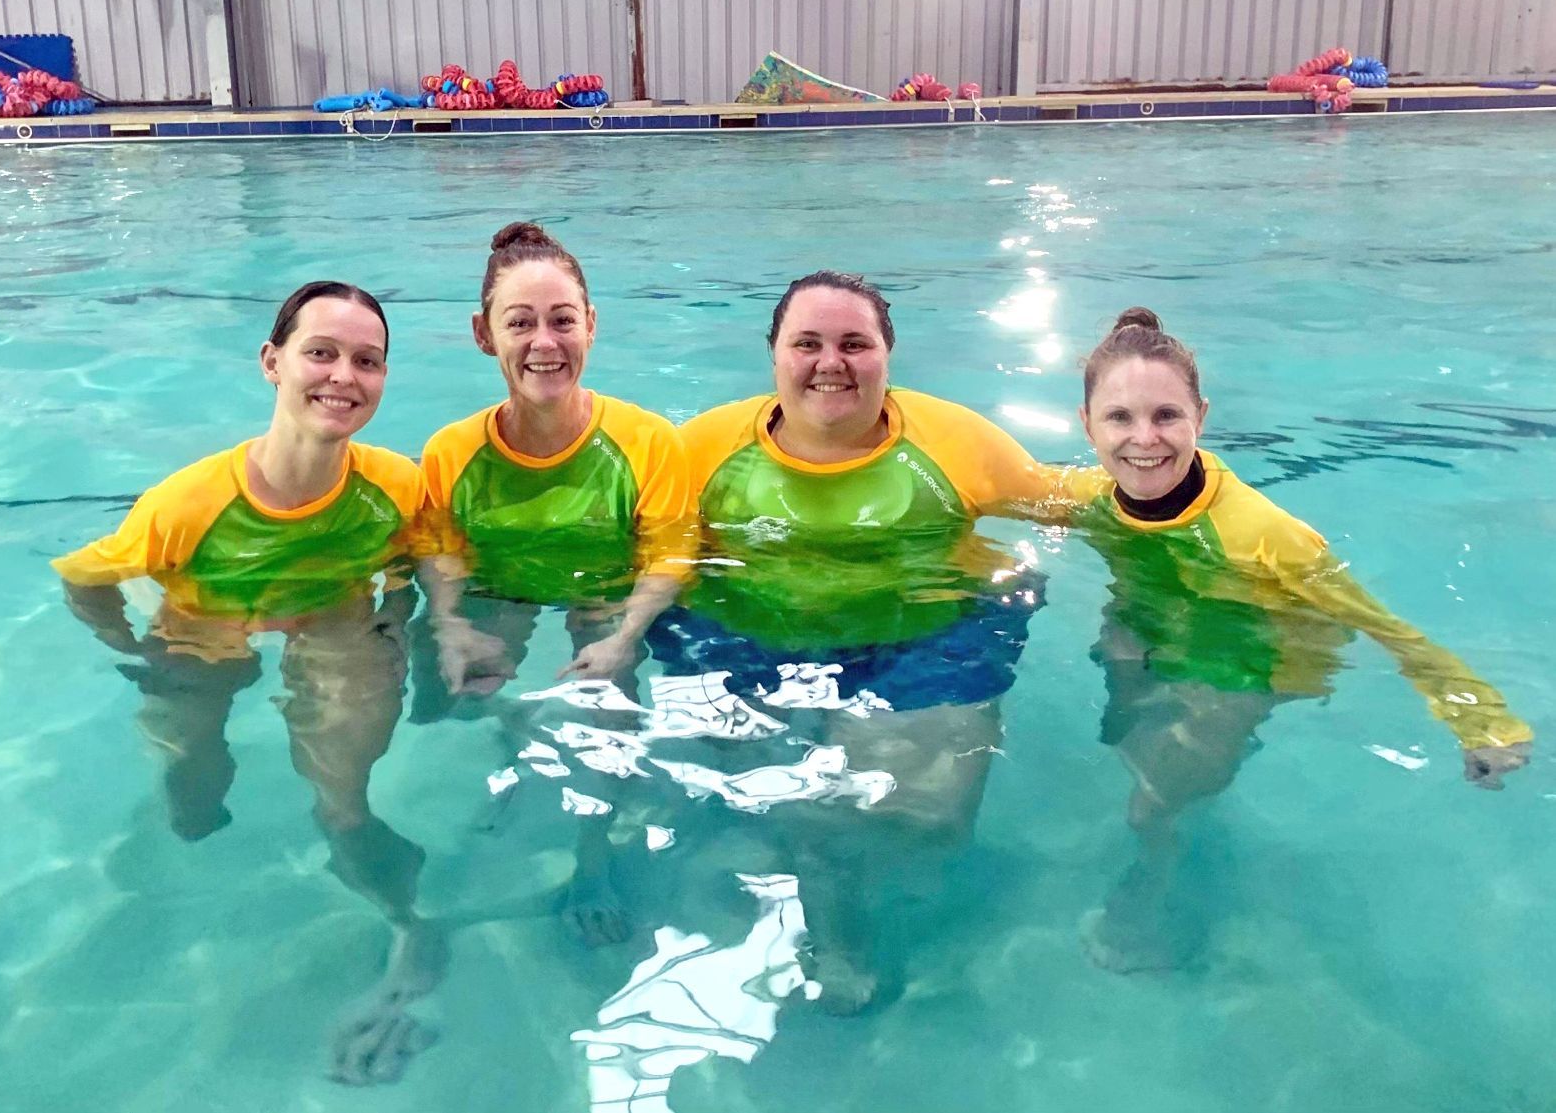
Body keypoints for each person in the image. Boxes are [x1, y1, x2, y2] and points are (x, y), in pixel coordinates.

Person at [656, 270, 1089, 1012]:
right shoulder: (700, 450)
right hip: (745, 643)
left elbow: (1074, 499)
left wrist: (1193, 499)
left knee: (933, 824)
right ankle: (829, 884)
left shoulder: (954, 441)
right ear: (774, 356)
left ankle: (820, 860)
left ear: (888, 355)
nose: (832, 362)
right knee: (766, 806)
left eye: (855, 343)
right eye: (808, 343)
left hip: (917, 646)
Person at [53, 282, 443, 1084]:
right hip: (205, 626)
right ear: (273, 362)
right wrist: (135, 652)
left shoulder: (395, 484)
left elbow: (417, 558)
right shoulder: (185, 505)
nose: (343, 375)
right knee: (192, 786)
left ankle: (405, 928)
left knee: (344, 797)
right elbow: (84, 578)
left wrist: (401, 625)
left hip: (334, 619)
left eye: (366, 361)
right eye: (321, 352)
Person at [1073, 307, 1535, 971]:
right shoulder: (1093, 498)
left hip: (1255, 657)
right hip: (1157, 628)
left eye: (1165, 415)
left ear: (1200, 415)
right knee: (1124, 722)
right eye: (1119, 417)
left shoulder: (1269, 537)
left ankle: (1156, 890)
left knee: (1155, 800)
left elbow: (1384, 626)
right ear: (1086, 424)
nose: (1143, 438)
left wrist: (1479, 715)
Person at [414, 222, 692, 945]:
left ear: (591, 326)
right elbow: (441, 553)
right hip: (502, 585)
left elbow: (668, 554)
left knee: (611, 716)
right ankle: (517, 729)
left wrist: (626, 636)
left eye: (562, 320)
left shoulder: (645, 440)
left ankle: (591, 861)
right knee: (452, 691)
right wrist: (449, 625)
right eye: (520, 322)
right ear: (483, 334)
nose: (544, 342)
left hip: (604, 586)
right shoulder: (450, 451)